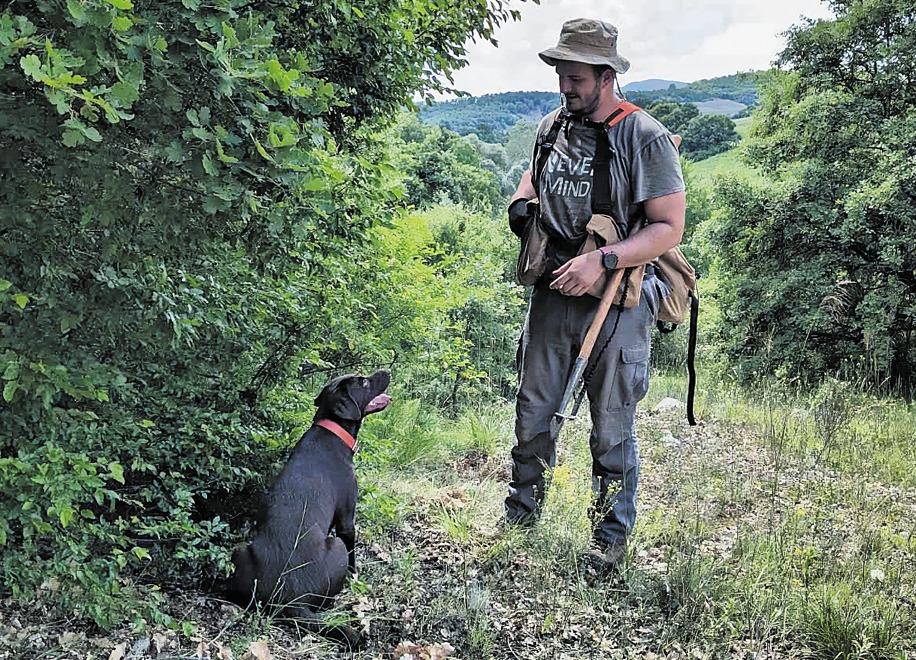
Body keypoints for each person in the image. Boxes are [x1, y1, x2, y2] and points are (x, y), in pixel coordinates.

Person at [504, 18, 686, 570]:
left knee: (612, 424)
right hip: (554, 289)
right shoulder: (552, 127)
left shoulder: (644, 137)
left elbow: (667, 228)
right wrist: (521, 205)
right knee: (534, 410)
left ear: (606, 76)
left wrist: (601, 259)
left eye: (576, 77)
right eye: (561, 75)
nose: (565, 87)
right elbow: (533, 179)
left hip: (618, 295)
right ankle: (521, 516)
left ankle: (608, 540)